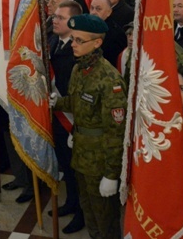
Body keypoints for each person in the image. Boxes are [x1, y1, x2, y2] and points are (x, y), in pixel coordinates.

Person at [52, 14, 127, 239]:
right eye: (73, 39)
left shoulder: (108, 79)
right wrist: (57, 102)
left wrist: (112, 174)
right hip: (82, 154)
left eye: (79, 41)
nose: (73, 44)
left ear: (97, 43)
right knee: (88, 211)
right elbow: (78, 103)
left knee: (106, 220)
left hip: (100, 161)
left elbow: (116, 132)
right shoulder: (79, 69)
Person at [48, 0, 85, 234]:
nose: (54, 20)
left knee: (78, 169)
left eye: (60, 17)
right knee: (65, 163)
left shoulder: (79, 50)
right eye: (55, 16)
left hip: (75, 117)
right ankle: (71, 201)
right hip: (58, 113)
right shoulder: (54, 42)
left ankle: (81, 212)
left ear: (73, 22)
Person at [89, 0, 128, 67]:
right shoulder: (85, 28)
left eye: (98, 9)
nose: (93, 12)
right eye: (92, 8)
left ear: (109, 12)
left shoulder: (117, 34)